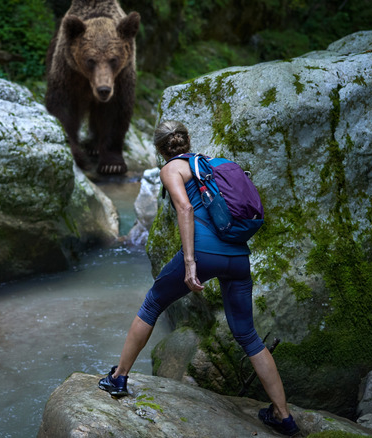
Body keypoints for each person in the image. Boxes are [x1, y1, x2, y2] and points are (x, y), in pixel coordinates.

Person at [98, 120, 300, 436]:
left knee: (152, 304)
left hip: (204, 253)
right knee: (248, 336)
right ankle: (283, 415)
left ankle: (119, 377)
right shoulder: (214, 165)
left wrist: (190, 264)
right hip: (237, 257)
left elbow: (185, 209)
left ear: (160, 149)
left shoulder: (172, 169)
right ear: (187, 140)